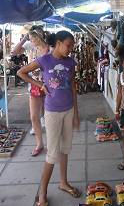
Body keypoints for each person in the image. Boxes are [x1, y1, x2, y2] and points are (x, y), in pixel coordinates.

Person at [17, 31, 81, 206]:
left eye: (72, 46)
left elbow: (73, 88)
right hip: (52, 113)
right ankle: (42, 192)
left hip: (68, 110)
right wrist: (40, 85)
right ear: (58, 43)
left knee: (65, 150)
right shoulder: (45, 60)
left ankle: (63, 182)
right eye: (68, 45)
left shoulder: (70, 62)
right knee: (52, 155)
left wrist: (76, 113)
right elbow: (21, 72)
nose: (71, 49)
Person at [12, 25, 50, 156]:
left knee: (49, 115)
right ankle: (39, 143)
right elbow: (14, 52)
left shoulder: (49, 49)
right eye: (31, 36)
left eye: (34, 36)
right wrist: (23, 39)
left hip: (49, 85)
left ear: (41, 35)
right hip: (34, 85)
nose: (32, 38)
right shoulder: (30, 46)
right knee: (34, 116)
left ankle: (51, 142)